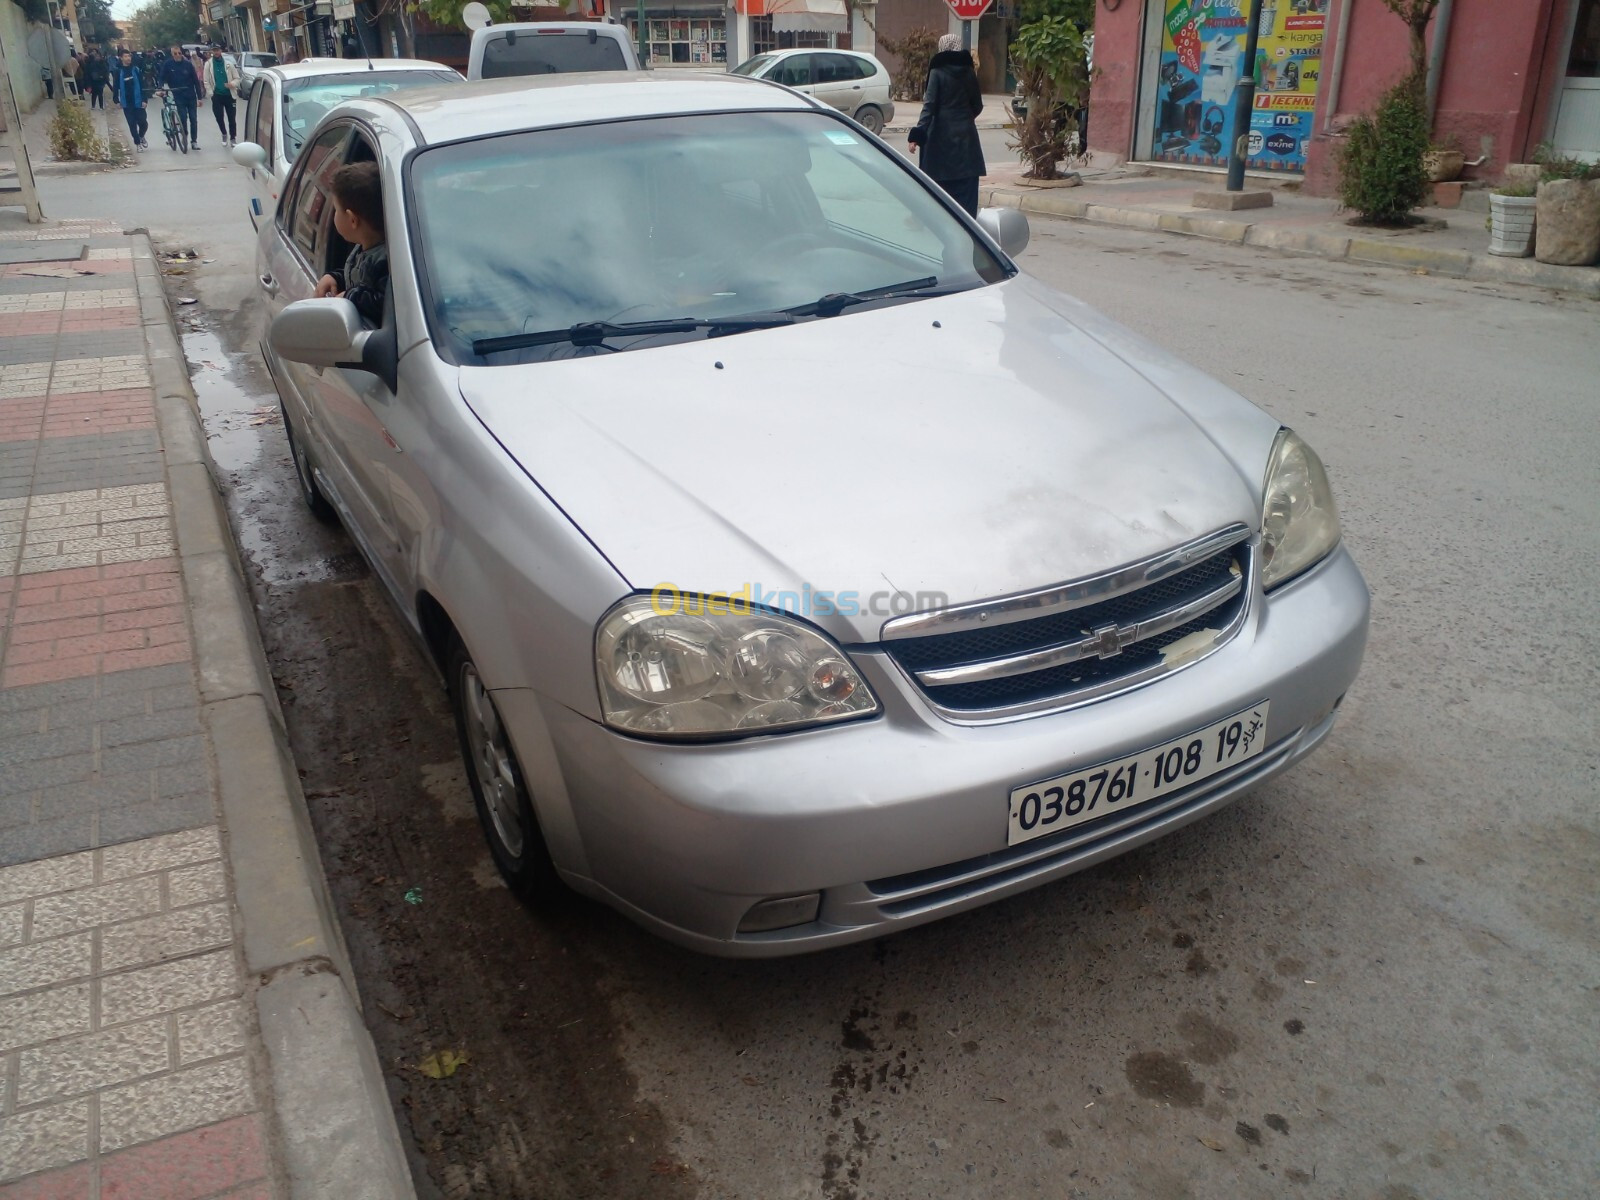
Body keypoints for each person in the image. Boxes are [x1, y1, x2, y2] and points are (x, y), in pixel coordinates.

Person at [906, 34, 987, 218]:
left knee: (940, 195)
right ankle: (968, 232)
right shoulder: (969, 71)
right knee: (966, 196)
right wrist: (964, 118)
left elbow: (929, 105)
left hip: (940, 141)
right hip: (967, 140)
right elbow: (978, 105)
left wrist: (916, 136)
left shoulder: (937, 71)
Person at [314, 163, 389, 325]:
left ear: (352, 219)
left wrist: (349, 297)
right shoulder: (365, 248)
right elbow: (358, 276)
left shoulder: (387, 262)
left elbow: (383, 302)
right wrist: (336, 278)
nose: (333, 216)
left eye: (335, 210)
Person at [157, 45, 201, 148]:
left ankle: (194, 141)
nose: (177, 55)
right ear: (172, 54)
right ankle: (184, 135)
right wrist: (160, 87)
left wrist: (199, 97)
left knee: (193, 119)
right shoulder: (168, 64)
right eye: (175, 54)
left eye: (179, 53)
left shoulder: (188, 65)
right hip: (178, 95)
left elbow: (196, 81)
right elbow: (162, 77)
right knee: (183, 118)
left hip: (190, 95)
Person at [109, 50, 149, 150]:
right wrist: (116, 100)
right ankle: (137, 143)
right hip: (127, 102)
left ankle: (141, 136)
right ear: (121, 58)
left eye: (129, 56)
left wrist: (145, 99)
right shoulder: (118, 72)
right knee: (132, 124)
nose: (128, 58)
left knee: (143, 122)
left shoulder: (136, 70)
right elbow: (116, 87)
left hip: (138, 100)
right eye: (126, 56)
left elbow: (142, 85)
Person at [206, 46, 241, 146]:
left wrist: (232, 84)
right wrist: (211, 93)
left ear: (220, 51)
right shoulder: (208, 64)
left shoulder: (229, 64)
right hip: (217, 95)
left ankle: (233, 137)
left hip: (229, 95)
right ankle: (224, 133)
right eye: (214, 50)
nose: (216, 52)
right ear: (212, 52)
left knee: (232, 118)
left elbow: (237, 78)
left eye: (218, 50)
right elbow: (206, 81)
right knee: (219, 117)